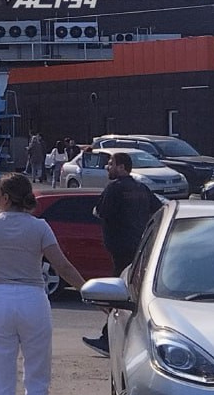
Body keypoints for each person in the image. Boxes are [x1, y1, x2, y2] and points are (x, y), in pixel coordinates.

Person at [0, 173, 86, 395]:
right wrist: (88, 291)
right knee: (37, 376)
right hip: (33, 300)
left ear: (3, 198)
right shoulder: (40, 227)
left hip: (0, 298)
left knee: (1, 375)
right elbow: (63, 267)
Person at [82, 150, 163, 356]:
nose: (107, 167)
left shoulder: (115, 189)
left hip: (120, 248)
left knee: (118, 296)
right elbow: (158, 209)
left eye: (111, 163)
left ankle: (109, 340)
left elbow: (100, 212)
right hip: (139, 249)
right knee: (131, 294)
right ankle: (115, 339)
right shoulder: (141, 188)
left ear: (121, 167)